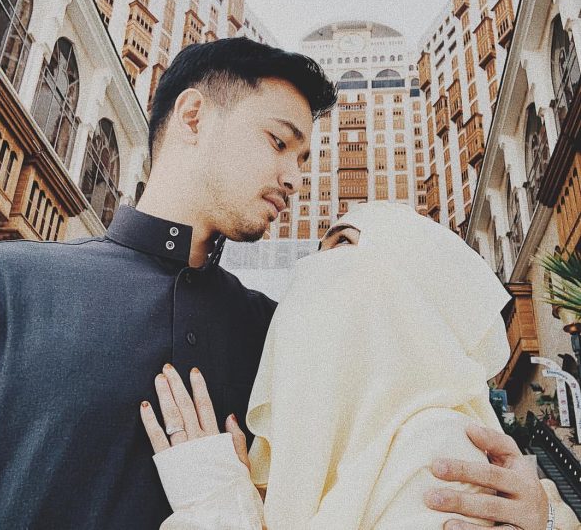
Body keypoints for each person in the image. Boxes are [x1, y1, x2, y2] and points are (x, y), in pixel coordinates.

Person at [0, 38, 558, 527]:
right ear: (193, 115)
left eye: (304, 159)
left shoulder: (290, 336)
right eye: (279, 142)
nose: (294, 178)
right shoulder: (13, 284)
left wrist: (541, 516)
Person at [142, 202, 580, 530]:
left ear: (407, 286)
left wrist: (216, 505)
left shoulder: (440, 448)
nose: (312, 267)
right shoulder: (342, 452)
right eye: (318, 249)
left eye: (343, 243)